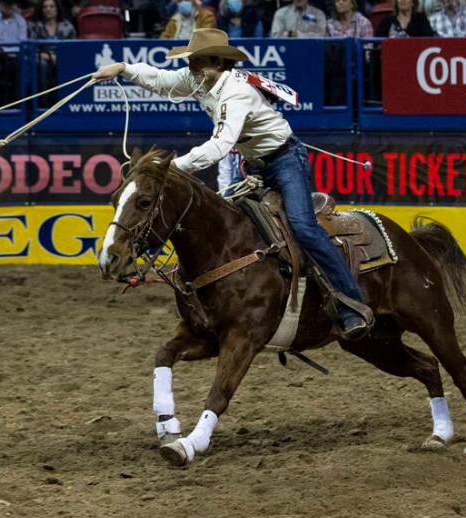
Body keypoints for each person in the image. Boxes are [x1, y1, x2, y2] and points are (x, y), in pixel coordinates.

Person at [91, 28, 372, 340]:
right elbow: (161, 79)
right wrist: (123, 69)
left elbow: (220, 145)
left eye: (197, 61)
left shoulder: (236, 92)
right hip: (254, 164)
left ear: (216, 62)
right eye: (191, 61)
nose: (191, 67)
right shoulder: (200, 79)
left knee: (303, 226)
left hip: (286, 160)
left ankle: (351, 301)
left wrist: (168, 169)